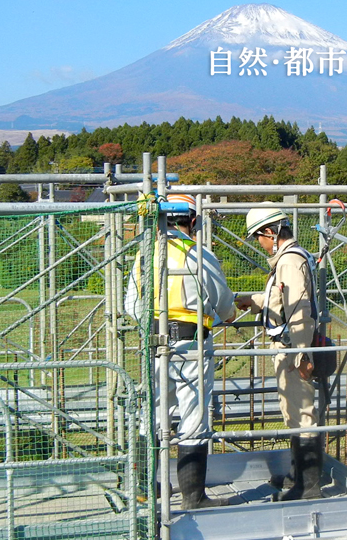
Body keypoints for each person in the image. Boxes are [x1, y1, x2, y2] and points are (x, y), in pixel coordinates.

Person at [125, 193, 237, 510]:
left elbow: (131, 306)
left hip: (155, 341)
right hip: (191, 344)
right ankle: (194, 497)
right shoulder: (197, 254)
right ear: (192, 221)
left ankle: (148, 488)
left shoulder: (145, 256)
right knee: (193, 415)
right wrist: (223, 316)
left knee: (154, 412)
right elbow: (224, 303)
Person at [234, 207, 324, 501]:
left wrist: (302, 356)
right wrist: (253, 300)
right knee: (293, 413)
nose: (258, 243)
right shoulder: (291, 258)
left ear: (270, 233)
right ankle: (297, 476)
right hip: (289, 346)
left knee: (302, 414)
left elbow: (299, 310)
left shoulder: (289, 261)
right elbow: (281, 297)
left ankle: (308, 487)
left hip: (292, 348)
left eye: (258, 237)